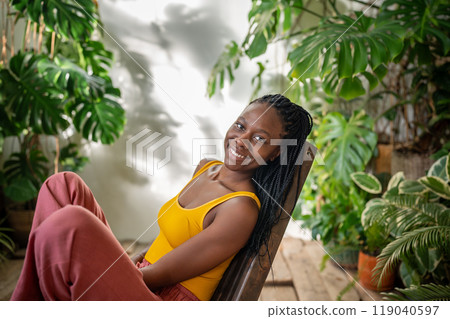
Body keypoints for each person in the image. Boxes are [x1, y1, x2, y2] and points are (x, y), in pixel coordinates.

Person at [11, 94, 313, 301]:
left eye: (259, 138)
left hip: (160, 300)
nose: (241, 140)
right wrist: (125, 262)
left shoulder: (239, 209)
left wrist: (112, 267)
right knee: (63, 185)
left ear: (277, 152)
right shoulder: (207, 168)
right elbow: (159, 248)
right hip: (143, 280)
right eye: (240, 125)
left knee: (71, 224)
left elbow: (156, 278)